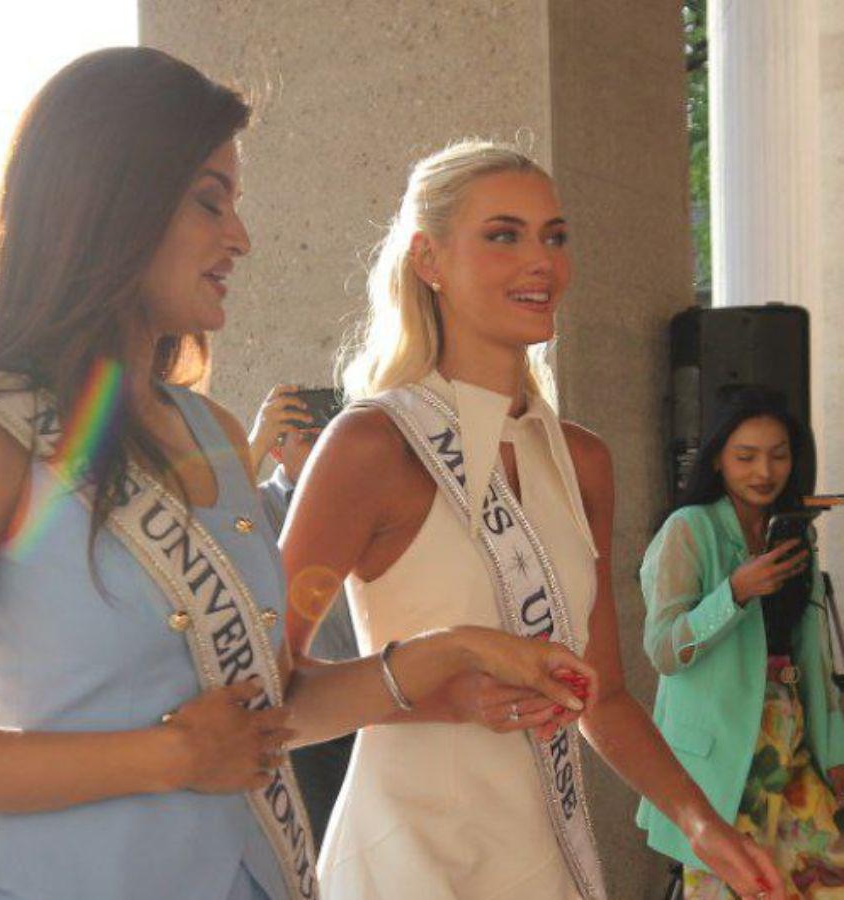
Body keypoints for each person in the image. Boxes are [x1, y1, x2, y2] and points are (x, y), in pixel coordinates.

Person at [0, 49, 595, 900]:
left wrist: (448, 656)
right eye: (210, 201)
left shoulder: (212, 432)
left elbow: (268, 712)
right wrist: (170, 756)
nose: (239, 237)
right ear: (111, 203)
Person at [280, 139, 787, 900]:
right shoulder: (372, 446)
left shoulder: (582, 460)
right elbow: (267, 695)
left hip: (541, 857)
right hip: (406, 859)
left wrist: (701, 822)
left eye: (555, 236)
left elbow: (602, 697)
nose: (540, 261)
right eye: (503, 235)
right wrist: (442, 695)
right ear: (428, 259)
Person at [637, 388, 844, 898]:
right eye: (746, 457)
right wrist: (734, 593)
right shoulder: (690, 529)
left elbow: (812, 653)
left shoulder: (791, 530)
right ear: (718, 460)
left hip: (792, 742)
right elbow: (664, 650)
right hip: (721, 755)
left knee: (827, 879)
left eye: (778, 455)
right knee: (739, 887)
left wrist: (836, 750)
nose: (764, 471)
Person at [252, 385, 359, 847]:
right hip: (304, 713)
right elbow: (202, 515)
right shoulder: (255, 505)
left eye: (331, 436)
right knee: (319, 847)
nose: (324, 451)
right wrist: (256, 442)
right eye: (310, 438)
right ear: (278, 450)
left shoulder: (363, 502)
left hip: (372, 698)